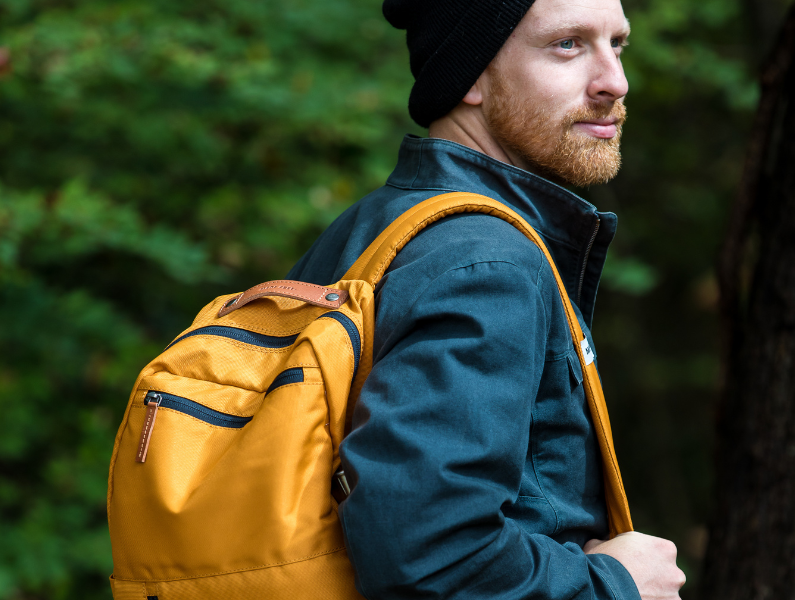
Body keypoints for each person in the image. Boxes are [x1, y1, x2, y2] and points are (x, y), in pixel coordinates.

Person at [287, 0, 687, 598]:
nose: (614, 81)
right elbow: (431, 557)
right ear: (470, 75)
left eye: (617, 43)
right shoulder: (488, 266)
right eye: (568, 45)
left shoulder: (371, 228)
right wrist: (614, 584)